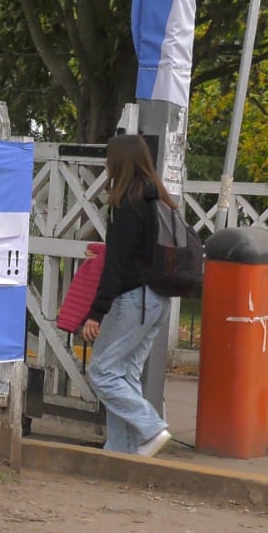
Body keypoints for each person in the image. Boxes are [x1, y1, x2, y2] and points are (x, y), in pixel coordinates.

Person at [80, 133, 173, 457]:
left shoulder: (127, 203)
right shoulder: (158, 199)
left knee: (102, 372)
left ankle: (151, 427)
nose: (106, 162)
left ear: (120, 162)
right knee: (125, 373)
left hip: (132, 299)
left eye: (109, 157)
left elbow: (118, 264)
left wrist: (96, 312)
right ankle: (123, 450)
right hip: (158, 299)